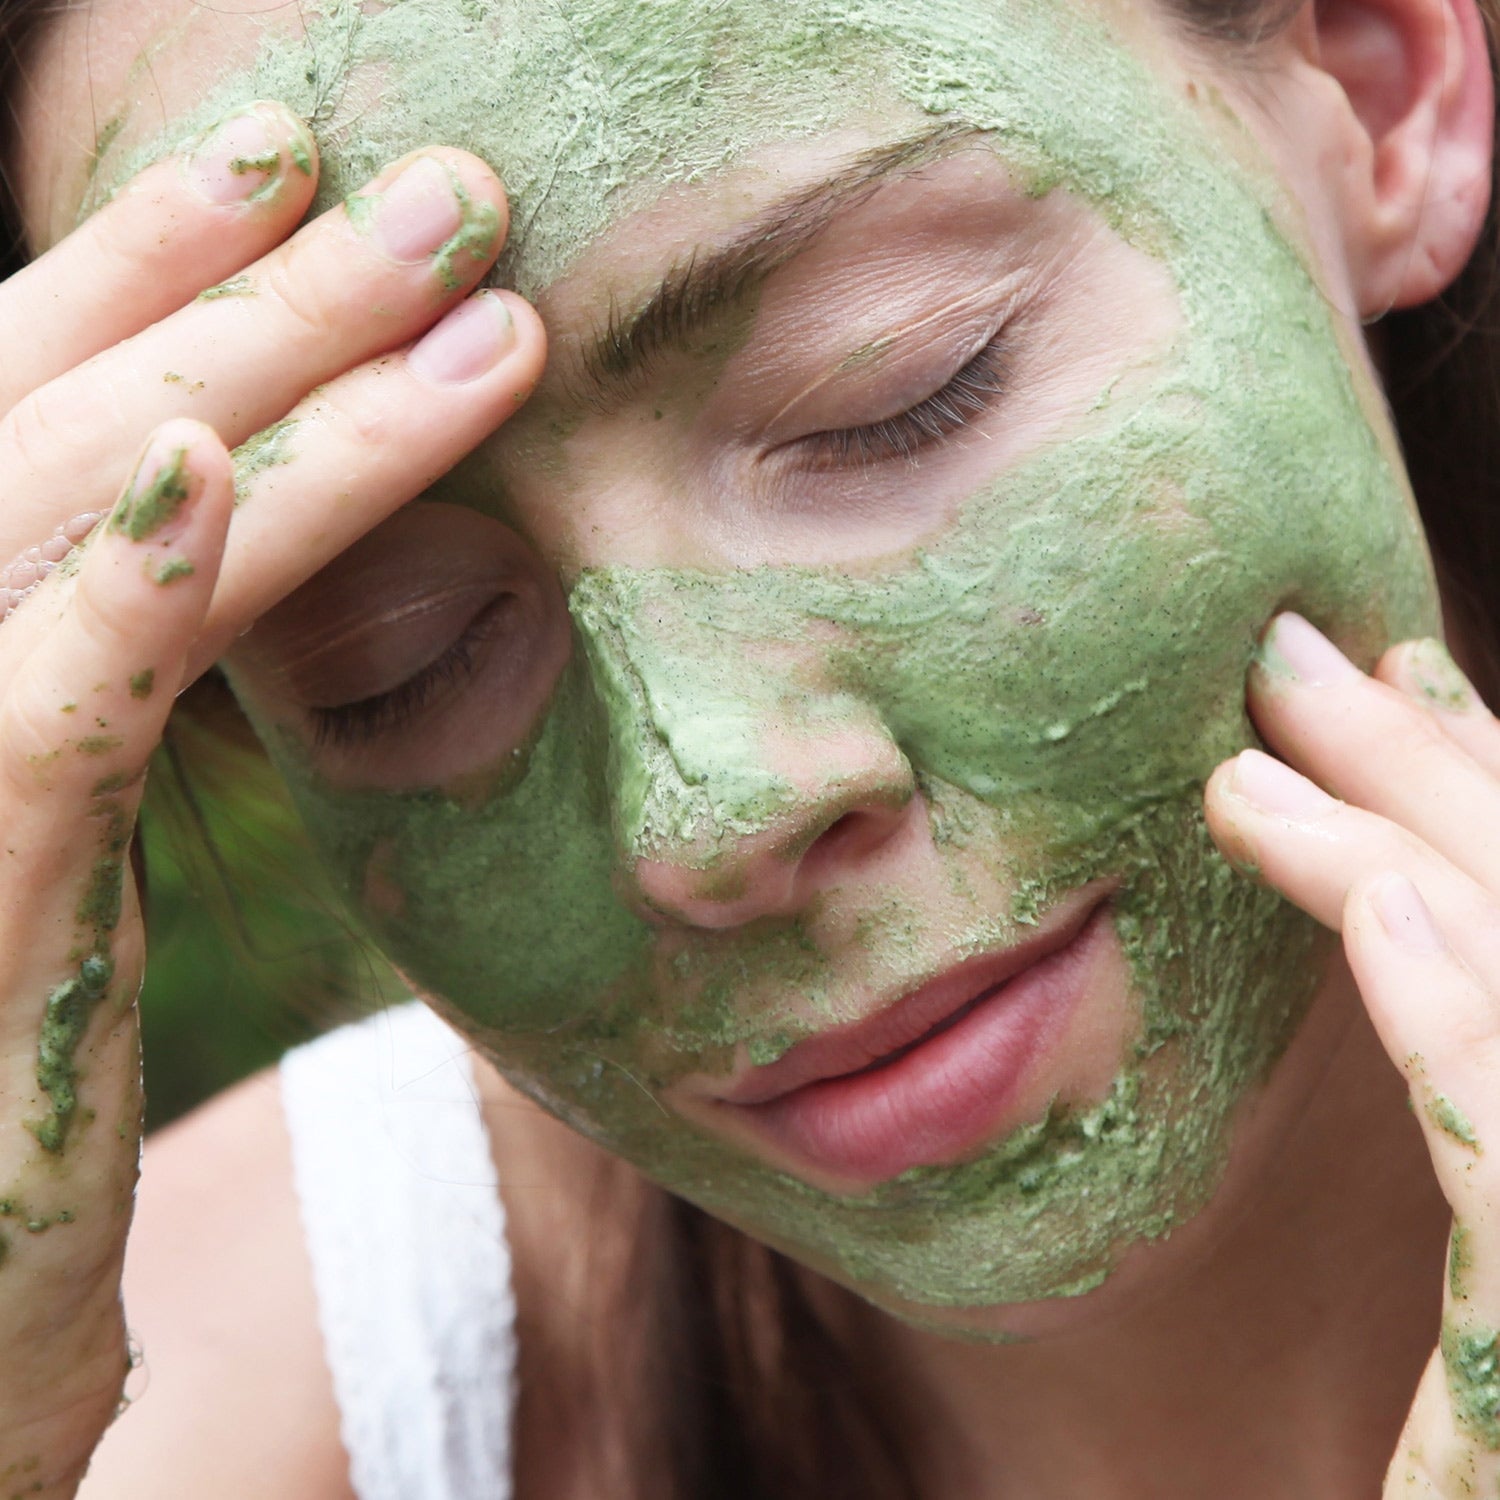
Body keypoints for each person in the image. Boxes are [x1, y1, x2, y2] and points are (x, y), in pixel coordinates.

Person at [0, 0, 1499, 1492]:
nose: (706, 812)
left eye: (899, 393)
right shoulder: (211, 1404)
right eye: (394, 657)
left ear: (1385, 91)